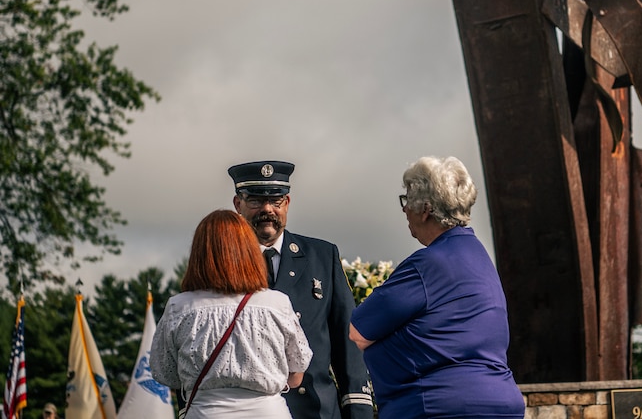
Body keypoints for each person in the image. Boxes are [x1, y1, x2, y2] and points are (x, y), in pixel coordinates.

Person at [349, 156, 526, 418]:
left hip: (439, 406)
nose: (404, 209)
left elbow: (357, 332)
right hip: (501, 402)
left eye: (407, 199)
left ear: (426, 209)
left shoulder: (427, 264)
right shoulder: (479, 257)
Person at [229, 160, 373, 419]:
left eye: (276, 201)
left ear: (288, 203)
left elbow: (346, 342)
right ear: (237, 205)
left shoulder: (322, 256)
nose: (267, 210)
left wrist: (358, 409)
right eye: (255, 201)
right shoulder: (222, 263)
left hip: (315, 411)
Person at [150, 209, 312, 418]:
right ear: (249, 251)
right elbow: (297, 372)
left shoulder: (179, 307)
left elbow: (165, 373)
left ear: (200, 253)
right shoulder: (276, 303)